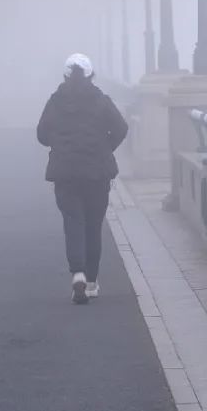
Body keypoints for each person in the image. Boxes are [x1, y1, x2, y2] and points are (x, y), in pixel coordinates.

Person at [36, 53, 128, 304]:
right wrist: (104, 148)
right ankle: (91, 282)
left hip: (65, 172)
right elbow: (121, 128)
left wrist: (61, 143)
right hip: (97, 172)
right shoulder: (101, 100)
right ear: (91, 75)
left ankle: (77, 272)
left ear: (65, 75)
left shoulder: (55, 102)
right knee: (93, 226)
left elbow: (42, 134)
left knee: (73, 222)